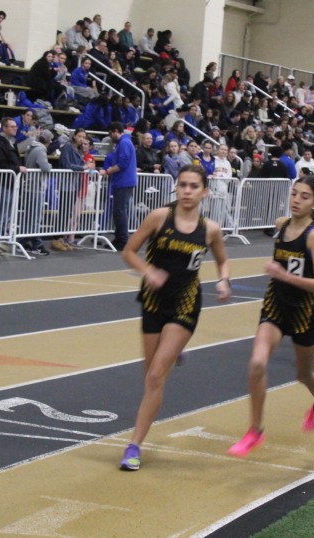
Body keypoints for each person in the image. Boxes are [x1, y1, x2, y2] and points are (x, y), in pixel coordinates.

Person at [118, 165, 231, 471]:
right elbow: (129, 252)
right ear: (176, 188)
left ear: (205, 192)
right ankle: (174, 350)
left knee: (156, 376)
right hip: (153, 301)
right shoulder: (159, 218)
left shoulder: (210, 229)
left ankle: (134, 446)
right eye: (183, 185)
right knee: (150, 379)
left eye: (194, 186)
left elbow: (222, 261)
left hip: (185, 304)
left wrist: (223, 280)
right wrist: (148, 271)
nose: (187, 191)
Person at [228, 176, 314, 459]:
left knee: (303, 375)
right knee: (257, 363)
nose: (296, 200)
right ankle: (255, 430)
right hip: (275, 306)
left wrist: (284, 275)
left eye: (304, 196)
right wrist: (280, 278)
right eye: (294, 194)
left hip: (302, 313)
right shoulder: (281, 224)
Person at [101, 122, 137, 249]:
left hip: (123, 181)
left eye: (110, 133)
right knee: (119, 211)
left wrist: (108, 171)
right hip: (124, 181)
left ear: (115, 131)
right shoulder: (126, 142)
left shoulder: (124, 143)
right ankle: (119, 239)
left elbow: (122, 164)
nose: (110, 137)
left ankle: (122, 240)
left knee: (119, 211)